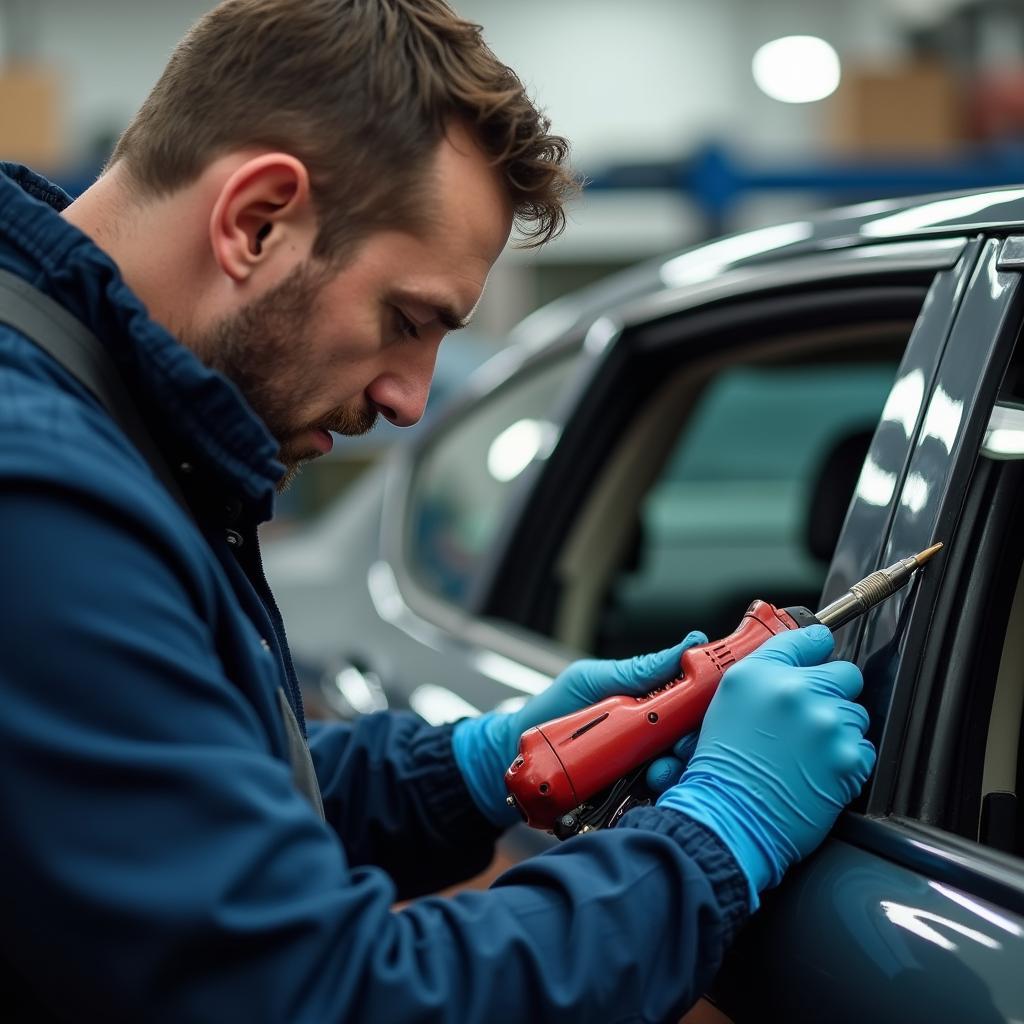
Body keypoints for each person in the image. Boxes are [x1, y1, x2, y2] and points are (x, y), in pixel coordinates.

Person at [0, 1, 875, 1021]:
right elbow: (321, 997)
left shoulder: (101, 430)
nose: (410, 399)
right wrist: (716, 836)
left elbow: (186, 791)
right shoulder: (42, 495)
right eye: (406, 320)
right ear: (256, 220)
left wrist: (473, 765)